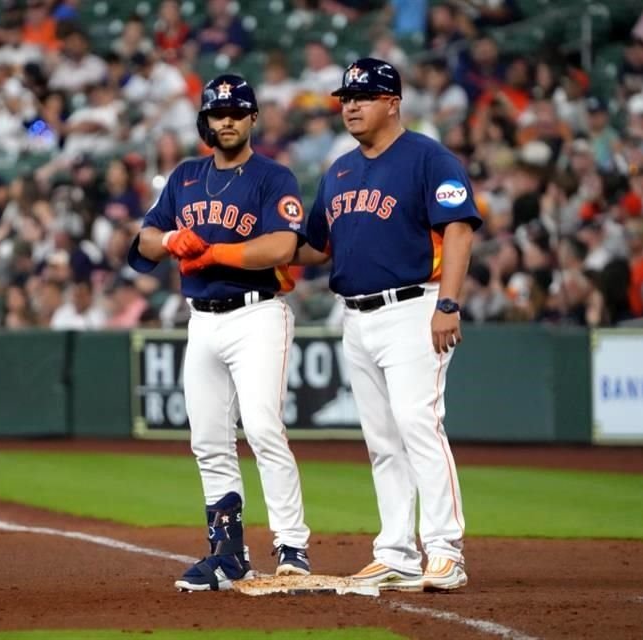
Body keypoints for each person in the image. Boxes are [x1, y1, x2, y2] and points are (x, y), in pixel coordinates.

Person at [294, 58, 482, 592]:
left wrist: (448, 305)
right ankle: (396, 550)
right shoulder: (340, 169)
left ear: (392, 102)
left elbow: (460, 230)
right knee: (381, 438)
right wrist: (258, 254)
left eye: (362, 97)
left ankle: (445, 549)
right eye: (345, 98)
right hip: (355, 316)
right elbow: (313, 244)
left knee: (418, 424)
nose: (350, 106)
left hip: (414, 308)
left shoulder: (428, 157)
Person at [128, 74, 311, 591]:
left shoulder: (273, 177)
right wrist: (169, 238)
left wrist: (213, 252)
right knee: (208, 438)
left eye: (235, 111)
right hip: (202, 319)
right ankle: (228, 554)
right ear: (204, 120)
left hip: (257, 313)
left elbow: (281, 247)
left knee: (262, 427)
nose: (225, 120)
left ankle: (292, 547)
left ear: (252, 118)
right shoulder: (185, 176)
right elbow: (142, 242)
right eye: (216, 112)